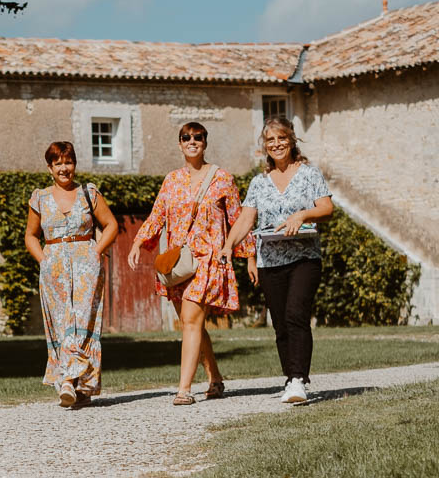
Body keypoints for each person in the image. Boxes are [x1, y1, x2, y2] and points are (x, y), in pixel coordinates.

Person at [127, 122, 252, 405]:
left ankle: (183, 389)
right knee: (190, 322)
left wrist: (249, 256)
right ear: (180, 144)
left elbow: (238, 219)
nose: (192, 141)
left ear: (205, 142)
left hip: (208, 258)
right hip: (178, 262)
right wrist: (137, 243)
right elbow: (157, 215)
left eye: (198, 137)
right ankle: (216, 378)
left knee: (193, 319)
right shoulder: (171, 180)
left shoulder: (222, 178)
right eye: (186, 138)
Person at [220, 115, 334, 404]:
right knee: (281, 323)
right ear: (265, 146)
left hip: (304, 257)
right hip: (270, 261)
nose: (277, 144)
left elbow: (326, 207)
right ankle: (290, 377)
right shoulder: (259, 182)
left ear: (292, 140)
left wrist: (302, 215)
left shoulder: (309, 174)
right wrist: (228, 246)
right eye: (271, 140)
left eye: (282, 138)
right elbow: (246, 218)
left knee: (297, 315)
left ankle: (298, 380)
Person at [24, 141, 119, 407]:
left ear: (74, 164)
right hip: (53, 264)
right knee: (62, 320)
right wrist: (44, 260)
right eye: (58, 164)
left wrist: (96, 251)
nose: (64, 168)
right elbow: (31, 236)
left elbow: (111, 225)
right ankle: (69, 380)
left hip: (86, 263)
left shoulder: (89, 193)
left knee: (84, 320)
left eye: (68, 162)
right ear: (49, 168)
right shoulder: (39, 198)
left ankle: (80, 385)